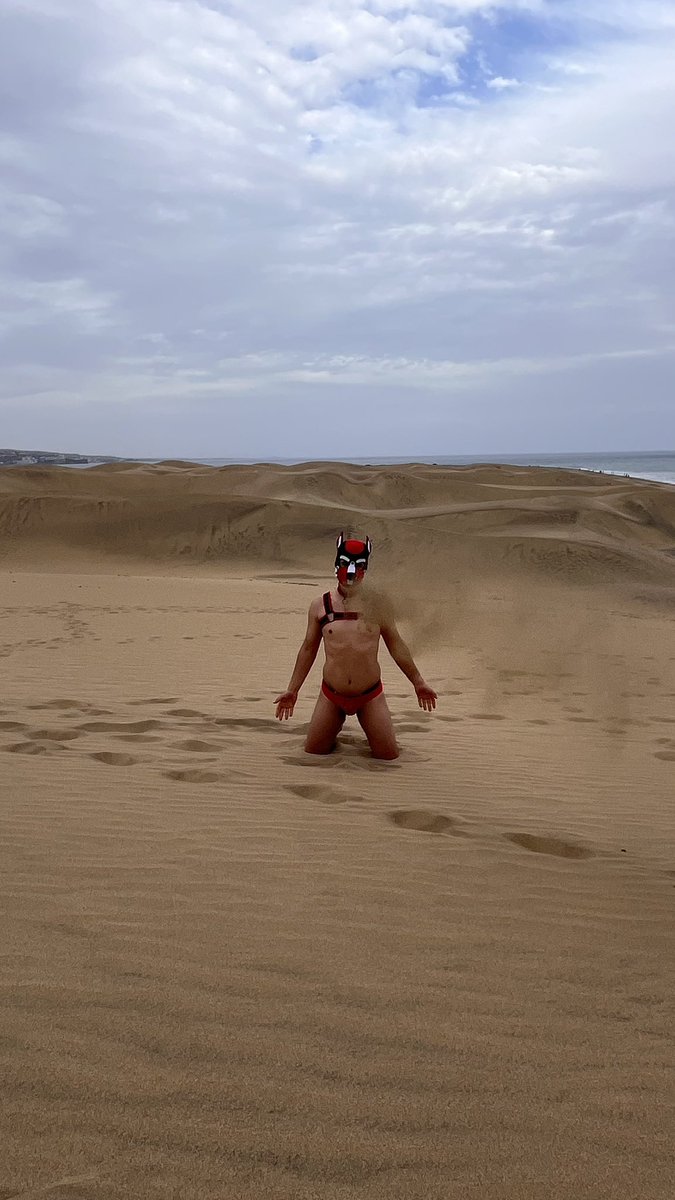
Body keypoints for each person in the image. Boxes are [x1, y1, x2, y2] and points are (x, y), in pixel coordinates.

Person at [274, 533, 437, 759]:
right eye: (344, 564)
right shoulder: (321, 606)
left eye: (358, 566)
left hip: (369, 695)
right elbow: (308, 649)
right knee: (314, 751)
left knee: (388, 755)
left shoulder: (378, 604)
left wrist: (418, 681)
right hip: (332, 694)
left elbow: (396, 644)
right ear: (336, 564)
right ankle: (331, 727)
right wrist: (292, 690)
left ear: (365, 569)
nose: (351, 571)